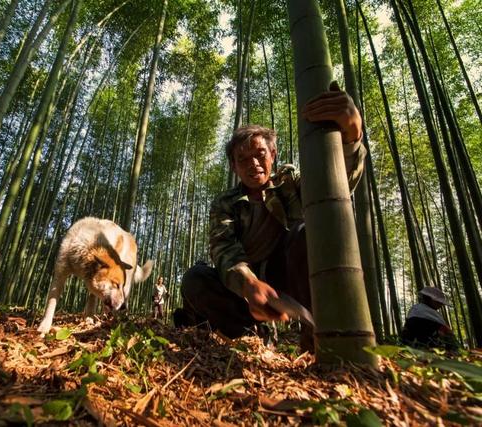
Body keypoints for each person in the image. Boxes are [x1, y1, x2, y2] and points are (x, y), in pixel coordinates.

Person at [174, 82, 366, 352]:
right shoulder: (225, 203)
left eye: (259, 154)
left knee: (303, 233)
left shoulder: (289, 181)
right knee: (195, 278)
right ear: (234, 167)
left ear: (273, 155)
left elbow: (335, 186)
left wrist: (351, 134)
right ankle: (256, 335)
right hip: (244, 285)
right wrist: (248, 283)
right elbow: (224, 249)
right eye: (243, 159)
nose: (253, 163)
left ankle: (321, 336)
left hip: (288, 272)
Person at [401, 286, 459, 351]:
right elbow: (449, 335)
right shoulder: (433, 314)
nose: (441, 304)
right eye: (438, 302)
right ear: (430, 299)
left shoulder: (414, 309)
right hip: (431, 349)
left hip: (410, 348)